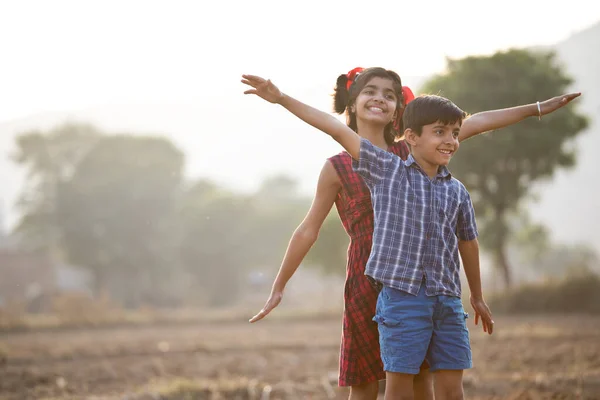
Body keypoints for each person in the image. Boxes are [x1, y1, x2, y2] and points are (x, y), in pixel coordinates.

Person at [242, 69, 580, 400]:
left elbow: (477, 122)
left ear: (399, 111)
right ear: (352, 101)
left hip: (425, 282)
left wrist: (536, 109)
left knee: (421, 375)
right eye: (370, 92)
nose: (380, 99)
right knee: (364, 381)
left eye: (389, 94)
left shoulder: (415, 150)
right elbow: (307, 230)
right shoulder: (342, 165)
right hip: (366, 280)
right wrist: (279, 285)